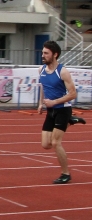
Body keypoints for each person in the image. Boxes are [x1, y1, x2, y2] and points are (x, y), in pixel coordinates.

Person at [37, 40, 86, 184]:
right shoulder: (41, 70)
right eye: (42, 53)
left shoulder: (62, 72)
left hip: (63, 109)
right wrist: (41, 103)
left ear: (55, 54)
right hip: (51, 111)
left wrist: (54, 102)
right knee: (46, 144)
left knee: (56, 143)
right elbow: (43, 87)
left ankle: (66, 174)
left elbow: (73, 94)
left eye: (46, 53)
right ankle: (71, 121)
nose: (43, 55)